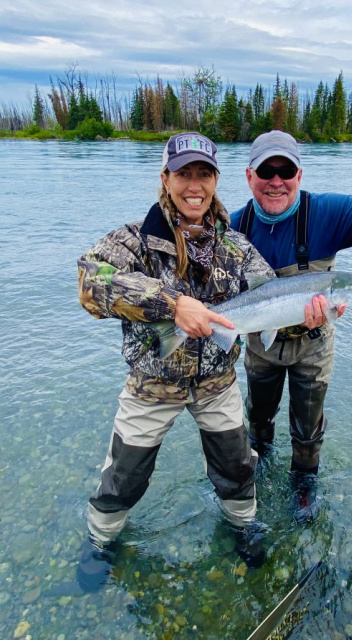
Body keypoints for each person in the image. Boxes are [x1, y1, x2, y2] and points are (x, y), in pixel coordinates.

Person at [76, 132, 276, 590]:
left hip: (217, 382)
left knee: (236, 467)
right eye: (183, 173)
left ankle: (243, 527)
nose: (194, 185)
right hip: (152, 383)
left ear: (216, 181)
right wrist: (171, 304)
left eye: (203, 174)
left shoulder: (237, 247)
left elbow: (271, 294)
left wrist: (310, 314)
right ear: (165, 178)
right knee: (125, 476)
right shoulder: (134, 239)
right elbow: (89, 283)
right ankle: (101, 540)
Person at [229, 130, 352, 524]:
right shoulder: (233, 228)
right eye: (267, 171)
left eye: (286, 170)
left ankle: (303, 483)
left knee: (308, 424)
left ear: (299, 176)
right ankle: (260, 460)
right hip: (260, 342)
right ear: (249, 176)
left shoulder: (328, 213)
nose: (276, 181)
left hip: (314, 345)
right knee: (258, 416)